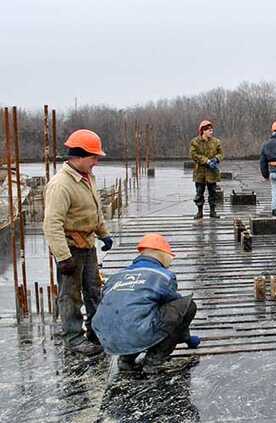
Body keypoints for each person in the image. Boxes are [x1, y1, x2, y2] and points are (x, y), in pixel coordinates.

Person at [43, 129, 113, 355]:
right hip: (70, 248)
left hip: (88, 244)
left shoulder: (87, 178)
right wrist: (63, 258)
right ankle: (73, 338)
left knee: (93, 290)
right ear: (79, 156)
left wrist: (104, 234)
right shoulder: (60, 185)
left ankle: (96, 332)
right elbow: (52, 225)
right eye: (94, 158)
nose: (96, 163)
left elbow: (94, 210)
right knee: (70, 296)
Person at [92, 233, 201, 374]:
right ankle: (154, 362)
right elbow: (180, 310)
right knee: (188, 305)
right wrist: (188, 340)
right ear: (160, 254)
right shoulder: (163, 276)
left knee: (132, 312)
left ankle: (126, 359)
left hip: (106, 338)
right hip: (136, 332)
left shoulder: (116, 276)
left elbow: (112, 304)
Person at [190, 120, 224, 219]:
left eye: (211, 130)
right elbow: (193, 155)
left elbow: (221, 153)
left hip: (212, 172)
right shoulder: (195, 142)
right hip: (200, 172)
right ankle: (199, 212)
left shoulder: (216, 142)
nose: (211, 132)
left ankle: (213, 211)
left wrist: (216, 159)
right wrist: (206, 161)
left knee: (213, 192)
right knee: (199, 193)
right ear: (203, 131)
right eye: (209, 130)